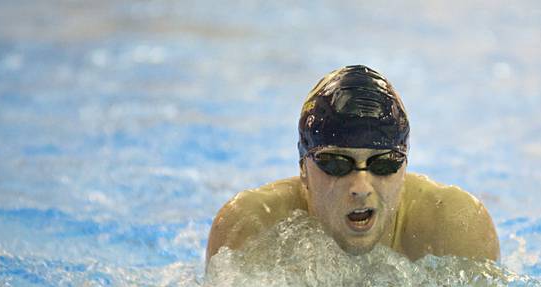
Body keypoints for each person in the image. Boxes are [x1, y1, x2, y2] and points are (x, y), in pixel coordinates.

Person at [205, 65, 500, 266]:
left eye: (383, 164)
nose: (360, 187)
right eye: (336, 163)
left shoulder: (455, 228)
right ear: (303, 169)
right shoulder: (251, 229)